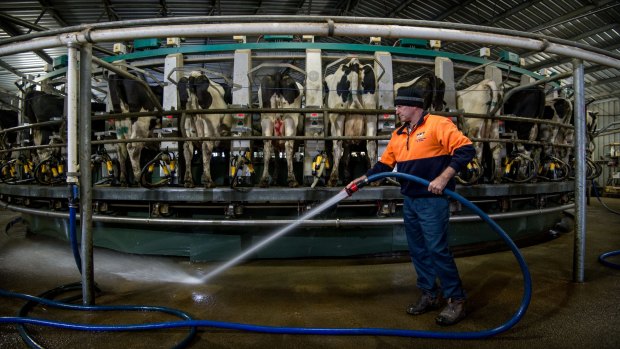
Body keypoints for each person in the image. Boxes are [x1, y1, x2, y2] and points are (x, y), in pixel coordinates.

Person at [346, 85, 476, 326]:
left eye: (400, 106)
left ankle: (456, 300)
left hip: (433, 201)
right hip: (411, 200)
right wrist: (363, 179)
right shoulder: (398, 135)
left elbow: (466, 149)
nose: (396, 110)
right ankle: (429, 294)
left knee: (437, 249)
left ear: (415, 106)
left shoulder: (438, 124)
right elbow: (384, 166)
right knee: (418, 250)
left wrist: (443, 177)